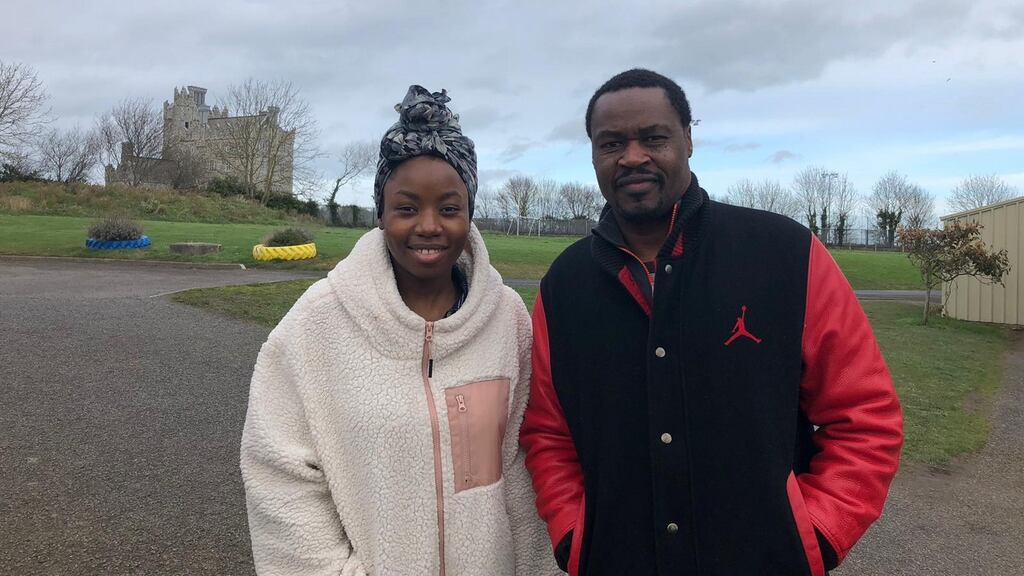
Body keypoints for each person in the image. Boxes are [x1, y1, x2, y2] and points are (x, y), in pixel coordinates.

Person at [520, 69, 904, 576]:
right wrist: (575, 537)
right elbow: (548, 434)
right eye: (611, 142)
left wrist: (814, 537)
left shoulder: (785, 254)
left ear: (689, 140)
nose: (633, 156)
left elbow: (865, 416)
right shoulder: (564, 285)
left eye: (654, 137)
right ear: (593, 154)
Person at [241, 85, 558, 576]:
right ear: (381, 213)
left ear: (469, 214)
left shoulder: (507, 320)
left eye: (449, 209)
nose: (429, 226)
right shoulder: (317, 323)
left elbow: (518, 468)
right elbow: (279, 474)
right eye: (407, 208)